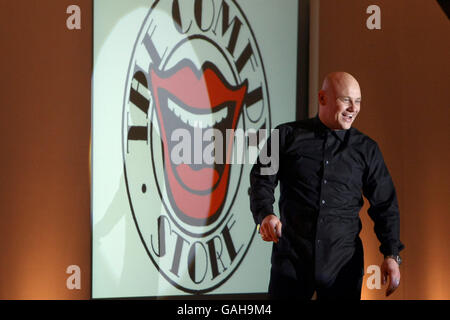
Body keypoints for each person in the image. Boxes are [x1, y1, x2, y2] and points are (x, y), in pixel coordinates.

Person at [249, 72, 404, 300]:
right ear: (322, 99)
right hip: (291, 261)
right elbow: (261, 180)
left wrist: (391, 255)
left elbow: (385, 205)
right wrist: (265, 215)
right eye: (346, 100)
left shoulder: (367, 149)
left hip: (343, 267)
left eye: (358, 101)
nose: (354, 108)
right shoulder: (284, 136)